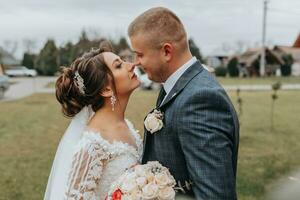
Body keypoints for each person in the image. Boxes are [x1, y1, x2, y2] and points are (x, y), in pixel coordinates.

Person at [128, 7, 239, 199]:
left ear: (166, 51)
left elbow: (215, 195)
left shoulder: (201, 100)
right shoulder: (176, 86)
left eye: (140, 54)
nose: (136, 62)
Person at [44, 41, 142, 200]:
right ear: (106, 89)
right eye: (119, 66)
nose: (131, 65)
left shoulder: (126, 125)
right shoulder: (93, 144)